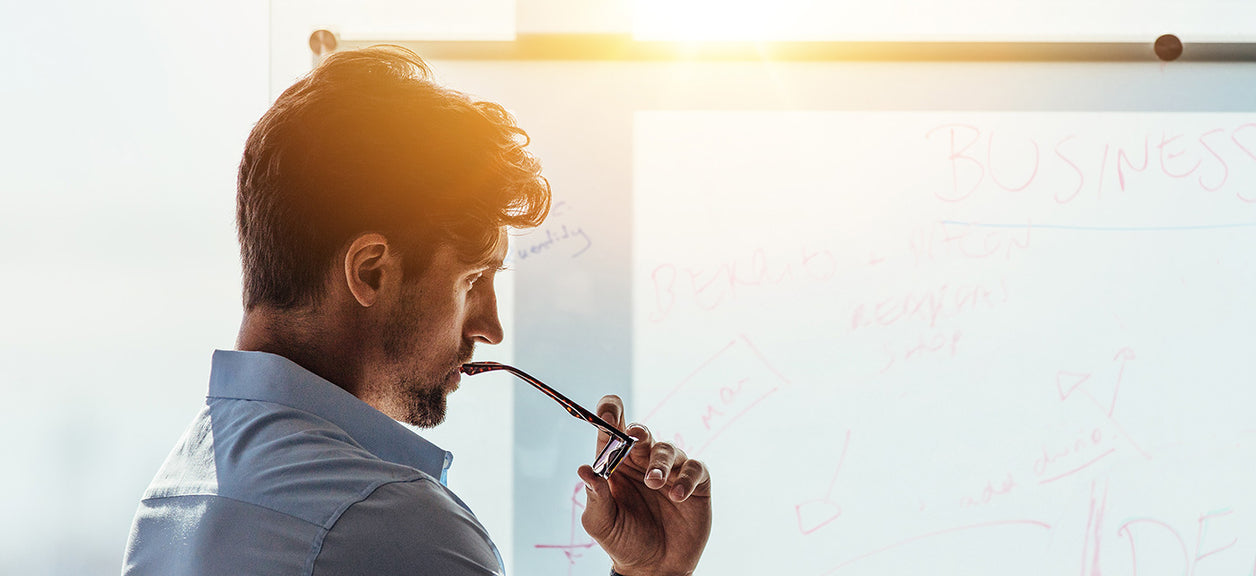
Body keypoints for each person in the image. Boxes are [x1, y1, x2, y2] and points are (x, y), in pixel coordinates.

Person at [122, 45, 712, 575]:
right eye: (472, 278)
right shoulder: (397, 528)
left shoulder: (172, 499)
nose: (490, 326)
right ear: (370, 270)